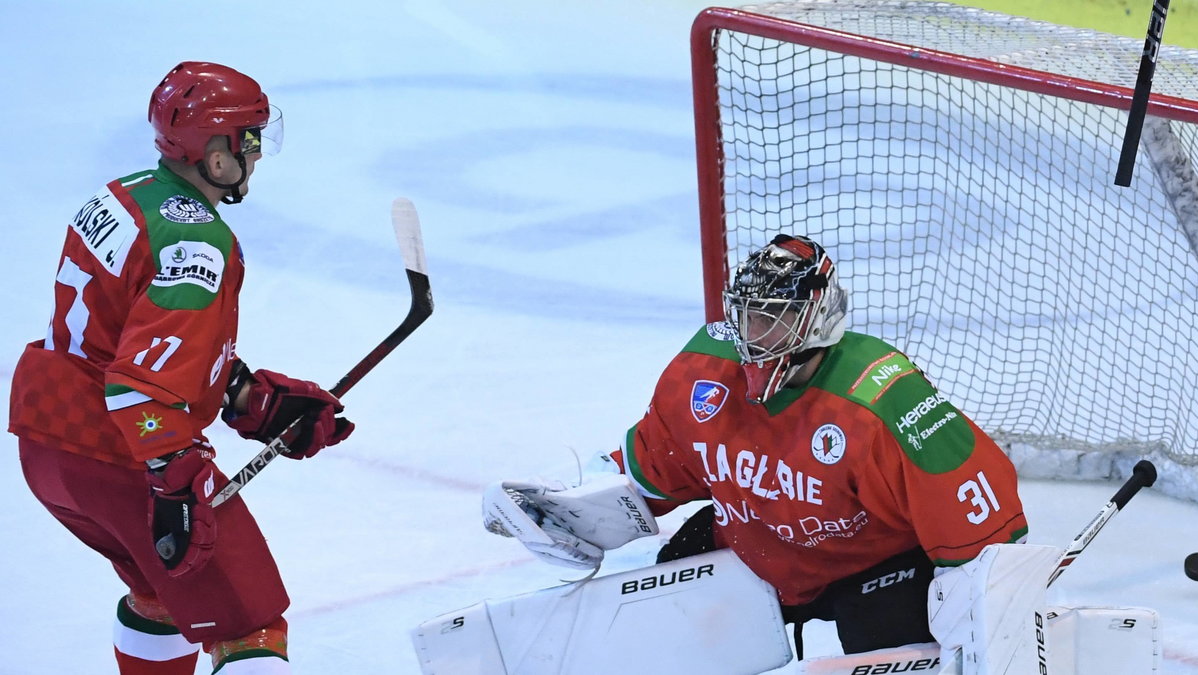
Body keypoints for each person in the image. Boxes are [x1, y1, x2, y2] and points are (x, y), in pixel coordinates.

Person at [486, 233, 1030, 661]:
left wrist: (993, 619)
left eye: (778, 315)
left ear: (819, 317)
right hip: (756, 548)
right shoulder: (702, 372)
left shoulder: (883, 402)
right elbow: (650, 474)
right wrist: (558, 511)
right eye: (750, 314)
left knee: (897, 644)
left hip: (876, 565)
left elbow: (986, 535)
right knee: (667, 619)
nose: (758, 330)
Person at [8, 62, 354, 675]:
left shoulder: (120, 195)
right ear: (214, 154)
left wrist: (246, 394)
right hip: (124, 457)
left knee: (163, 600)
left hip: (49, 447)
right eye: (247, 140)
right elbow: (138, 389)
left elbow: (128, 339)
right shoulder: (199, 244)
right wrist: (174, 477)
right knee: (248, 628)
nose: (256, 154)